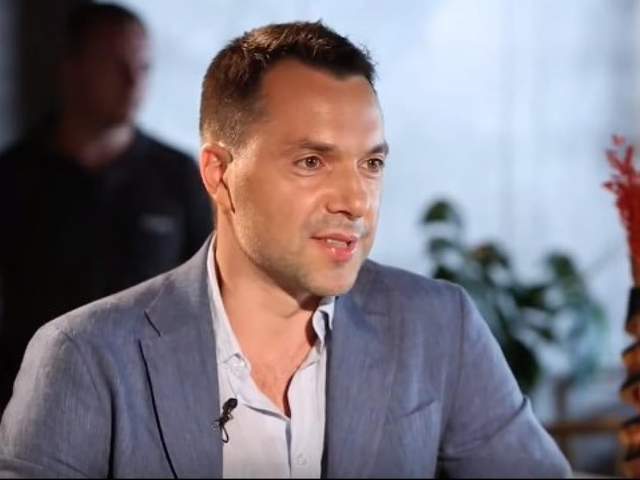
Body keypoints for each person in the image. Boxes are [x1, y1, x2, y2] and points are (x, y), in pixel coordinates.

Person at [0, 21, 570, 478]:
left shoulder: (440, 327)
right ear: (219, 174)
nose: (356, 200)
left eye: (371, 163)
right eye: (311, 161)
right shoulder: (85, 358)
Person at [0, 3, 213, 409]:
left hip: (149, 408)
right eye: (115, 65)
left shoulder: (176, 176)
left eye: (143, 67)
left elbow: (208, 301)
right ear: (73, 69)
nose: (133, 81)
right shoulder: (15, 177)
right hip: (36, 406)